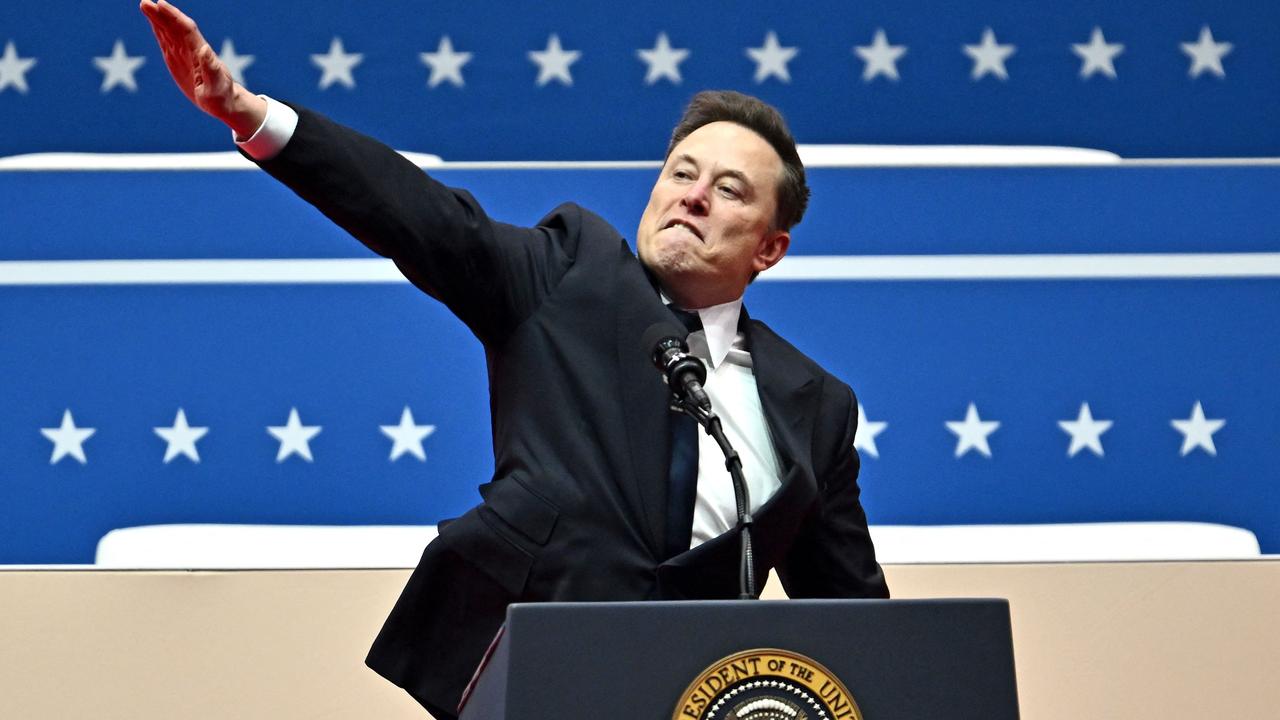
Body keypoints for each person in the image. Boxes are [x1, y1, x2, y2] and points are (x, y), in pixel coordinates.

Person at [141, 2, 889, 717]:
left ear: (770, 248)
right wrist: (249, 113)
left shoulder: (815, 406)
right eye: (681, 173)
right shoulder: (571, 274)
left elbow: (859, 622)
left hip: (692, 695)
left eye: (728, 190)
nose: (692, 197)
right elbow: (423, 217)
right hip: (527, 675)